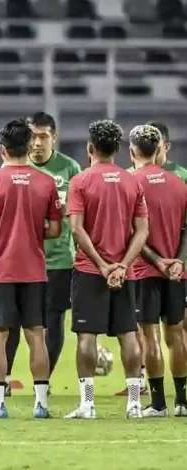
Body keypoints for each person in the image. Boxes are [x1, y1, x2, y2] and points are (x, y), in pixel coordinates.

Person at [0, 119, 62, 419]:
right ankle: (41, 404)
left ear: (2, 149)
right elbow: (55, 230)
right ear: (28, 147)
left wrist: (1, 232)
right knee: (36, 335)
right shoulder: (46, 182)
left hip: (1, 269)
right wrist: (32, 230)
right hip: (34, 270)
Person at [65, 120, 148, 419]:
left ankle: (88, 404)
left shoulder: (81, 181)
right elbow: (142, 231)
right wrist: (122, 265)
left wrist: (102, 265)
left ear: (90, 148)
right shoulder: (132, 181)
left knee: (87, 337)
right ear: (118, 150)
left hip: (90, 270)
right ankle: (135, 404)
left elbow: (76, 229)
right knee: (128, 334)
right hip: (126, 273)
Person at [3, 112, 81, 396]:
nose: (37, 143)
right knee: (10, 321)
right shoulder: (13, 167)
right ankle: (6, 378)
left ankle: (43, 381)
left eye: (43, 137)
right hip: (20, 259)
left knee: (54, 319)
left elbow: (77, 217)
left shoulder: (69, 169)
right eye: (33, 136)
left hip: (58, 259)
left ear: (54, 138)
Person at [118, 121, 187, 397]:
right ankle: (182, 400)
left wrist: (157, 261)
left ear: (132, 150)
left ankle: (158, 402)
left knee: (150, 337)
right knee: (177, 334)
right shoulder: (179, 183)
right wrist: (178, 261)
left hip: (144, 271)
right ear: (159, 148)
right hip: (177, 271)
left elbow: (133, 233)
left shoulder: (130, 182)